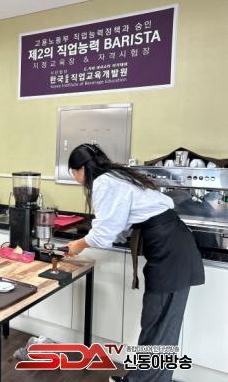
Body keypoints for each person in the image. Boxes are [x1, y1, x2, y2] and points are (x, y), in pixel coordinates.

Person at [65, 143, 204, 382]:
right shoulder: (116, 176)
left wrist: (78, 244)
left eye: (73, 172)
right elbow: (121, 224)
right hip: (172, 245)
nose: (75, 178)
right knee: (159, 325)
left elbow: (104, 234)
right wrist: (95, 236)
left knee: (158, 323)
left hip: (169, 251)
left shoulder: (104, 182)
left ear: (81, 169)